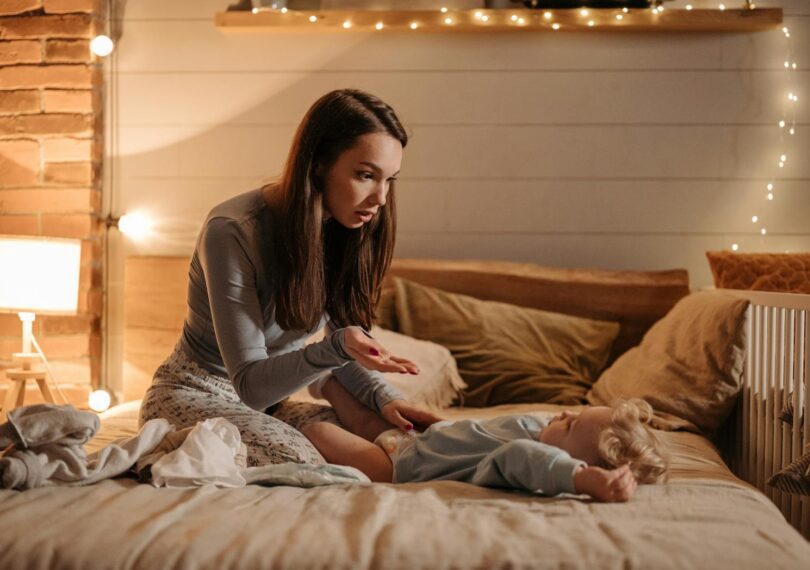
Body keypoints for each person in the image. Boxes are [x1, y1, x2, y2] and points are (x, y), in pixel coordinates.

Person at [139, 89, 443, 467]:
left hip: (272, 404)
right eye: (366, 176)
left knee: (384, 451)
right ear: (317, 163)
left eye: (390, 180)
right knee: (307, 456)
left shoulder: (341, 230)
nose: (380, 198)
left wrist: (387, 398)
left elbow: (344, 351)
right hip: (194, 395)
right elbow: (250, 385)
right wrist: (335, 349)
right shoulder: (232, 230)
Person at [302, 377, 669, 501]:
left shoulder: (530, 459)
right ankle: (327, 382)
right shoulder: (543, 428)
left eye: (572, 425)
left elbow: (518, 454)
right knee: (367, 416)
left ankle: (295, 420)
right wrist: (443, 425)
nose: (565, 414)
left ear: (571, 461)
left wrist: (583, 479)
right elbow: (482, 434)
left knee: (320, 431)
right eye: (576, 412)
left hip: (402, 468)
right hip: (423, 441)